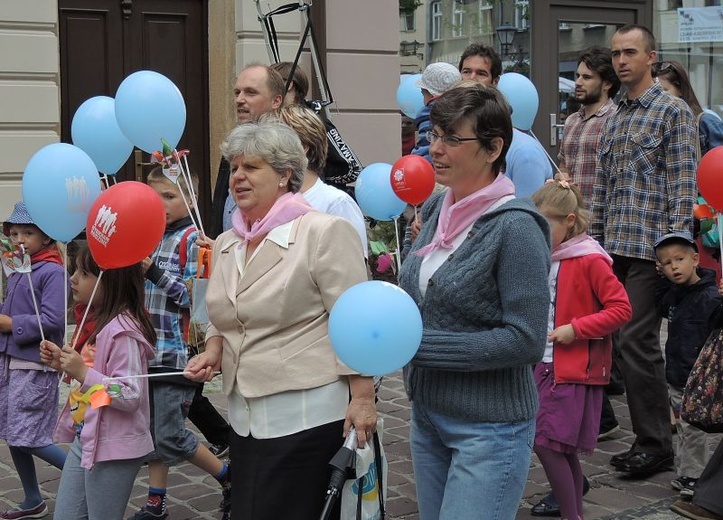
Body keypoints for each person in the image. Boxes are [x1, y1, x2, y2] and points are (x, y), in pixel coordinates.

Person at [185, 121, 376, 520]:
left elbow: (356, 321)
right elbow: (224, 312)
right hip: (244, 419)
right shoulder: (227, 242)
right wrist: (215, 348)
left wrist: (362, 398)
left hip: (306, 416)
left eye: (251, 167)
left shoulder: (323, 232)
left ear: (284, 174)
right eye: (234, 167)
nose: (237, 177)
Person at [398, 84, 550, 520]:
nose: (435, 149)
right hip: (428, 416)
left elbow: (525, 340)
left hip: (489, 429)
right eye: (434, 135)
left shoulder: (517, 227)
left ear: (492, 148)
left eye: (452, 139)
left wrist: (416, 347)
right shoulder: (437, 208)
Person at [590, 24, 699, 476]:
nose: (621, 60)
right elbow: (602, 188)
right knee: (615, 342)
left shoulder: (673, 113)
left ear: (651, 57)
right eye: (616, 53)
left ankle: (655, 444)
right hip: (613, 247)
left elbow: (682, 185)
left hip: (650, 251)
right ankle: (646, 434)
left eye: (630, 52)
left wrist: (674, 252)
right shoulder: (613, 115)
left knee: (637, 342)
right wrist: (590, 244)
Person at [129, 167, 230, 520]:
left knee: (170, 435)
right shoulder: (148, 237)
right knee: (149, 432)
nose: (161, 204)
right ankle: (157, 501)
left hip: (177, 354)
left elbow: (196, 300)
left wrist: (153, 271)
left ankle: (228, 476)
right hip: (146, 351)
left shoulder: (194, 240)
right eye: (154, 196)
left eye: (169, 196)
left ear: (191, 199)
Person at [530, 180, 633, 520]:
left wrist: (575, 329)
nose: (539, 233)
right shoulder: (550, 256)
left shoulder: (590, 259)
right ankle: (574, 513)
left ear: (570, 220)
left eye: (546, 225)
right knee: (560, 448)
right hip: (544, 365)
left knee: (546, 443)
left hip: (572, 369)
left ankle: (571, 515)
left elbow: (621, 309)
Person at [39, 246, 156, 520]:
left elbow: (129, 392)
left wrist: (83, 373)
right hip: (89, 436)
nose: (73, 278)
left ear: (111, 281)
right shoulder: (99, 322)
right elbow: (94, 371)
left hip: (115, 446)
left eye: (84, 273)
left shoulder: (123, 332)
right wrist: (62, 363)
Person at [0, 202, 67, 520]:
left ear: (47, 236)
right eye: (15, 233)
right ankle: (32, 498)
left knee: (30, 435)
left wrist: (11, 325)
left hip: (36, 365)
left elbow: (53, 320)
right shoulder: (19, 267)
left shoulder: (52, 271)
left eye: (28, 232)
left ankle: (82, 475)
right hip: (12, 362)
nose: (20, 239)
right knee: (14, 431)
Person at [653, 231, 722, 498]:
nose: (674, 268)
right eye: (667, 264)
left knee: (693, 429)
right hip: (677, 375)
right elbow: (661, 306)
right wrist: (661, 283)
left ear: (695, 259)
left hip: (699, 376)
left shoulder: (710, 296)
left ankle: (694, 476)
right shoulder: (674, 294)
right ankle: (686, 471)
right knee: (684, 427)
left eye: (679, 260)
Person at [260, 104, 368, 257]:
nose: (262, 152)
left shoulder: (336, 203)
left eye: (273, 143)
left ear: (303, 147)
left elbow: (350, 271)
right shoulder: (266, 202)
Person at [652, 59, 723, 281]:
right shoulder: (656, 123)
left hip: (703, 217)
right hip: (673, 214)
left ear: (680, 88)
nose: (658, 98)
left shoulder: (704, 121)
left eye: (664, 91)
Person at [457, 42, 552, 197]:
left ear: (495, 82)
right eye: (466, 71)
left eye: (481, 73)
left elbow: (526, 214)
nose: (472, 79)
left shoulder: (524, 152)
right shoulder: (455, 139)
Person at [210, 63, 285, 238]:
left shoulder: (286, 147)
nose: (239, 99)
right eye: (237, 92)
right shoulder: (235, 141)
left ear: (276, 101)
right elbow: (222, 201)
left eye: (250, 92)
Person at [269, 61, 363, 197]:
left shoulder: (316, 122)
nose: (267, 89)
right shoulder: (271, 121)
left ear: (288, 85)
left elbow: (353, 168)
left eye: (271, 84)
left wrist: (315, 176)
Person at [558, 47, 620, 203]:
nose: (578, 82)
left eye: (586, 77)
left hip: (601, 217)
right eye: (577, 76)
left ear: (606, 84)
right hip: (572, 216)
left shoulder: (618, 120)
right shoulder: (571, 121)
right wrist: (560, 176)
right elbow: (563, 166)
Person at [411, 62, 462, 163]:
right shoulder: (462, 110)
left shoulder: (428, 114)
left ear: (431, 95)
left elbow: (424, 147)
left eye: (423, 95)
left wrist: (413, 162)